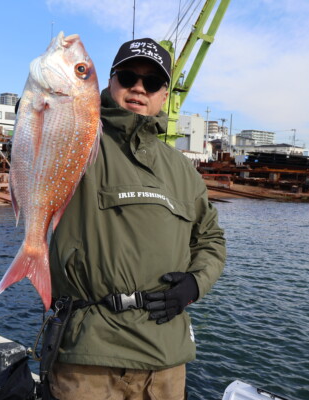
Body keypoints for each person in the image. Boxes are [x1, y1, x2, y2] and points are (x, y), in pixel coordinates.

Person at [47, 37, 227, 400]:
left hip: (166, 362)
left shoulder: (183, 170)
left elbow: (210, 239)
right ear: (109, 83)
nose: (139, 88)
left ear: (165, 95)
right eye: (128, 77)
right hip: (89, 357)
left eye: (153, 82)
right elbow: (44, 118)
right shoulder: (80, 139)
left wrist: (194, 284)